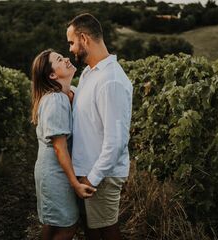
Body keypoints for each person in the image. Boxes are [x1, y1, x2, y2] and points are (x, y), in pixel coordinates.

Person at [66, 13, 133, 240]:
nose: (71, 49)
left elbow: (116, 142)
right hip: (88, 171)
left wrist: (92, 178)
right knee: (93, 233)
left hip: (100, 175)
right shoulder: (89, 73)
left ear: (84, 39)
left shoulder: (111, 80)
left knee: (107, 232)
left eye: (72, 42)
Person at [31, 49, 96, 240]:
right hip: (54, 174)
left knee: (54, 225)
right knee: (67, 226)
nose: (66, 59)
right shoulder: (55, 100)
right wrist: (75, 184)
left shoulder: (70, 92)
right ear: (52, 75)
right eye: (59, 59)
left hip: (59, 171)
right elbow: (60, 148)